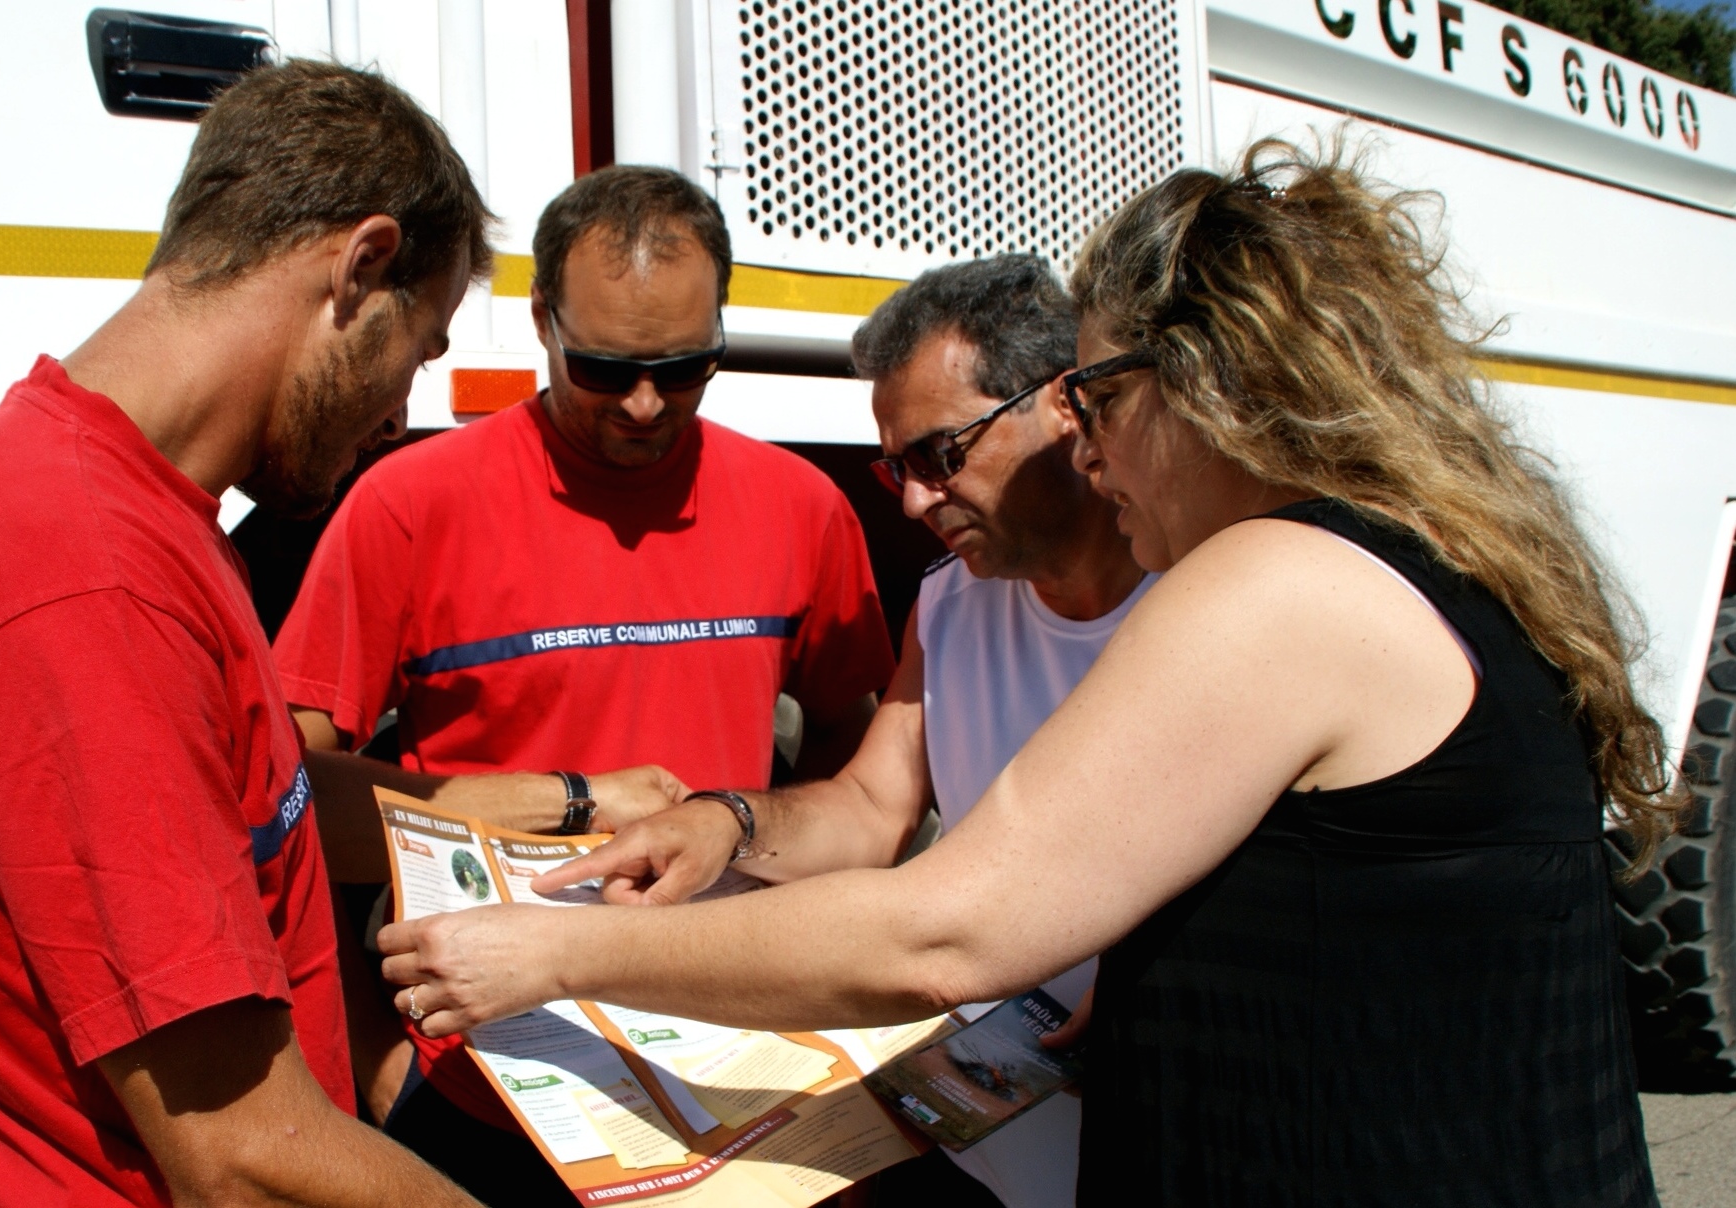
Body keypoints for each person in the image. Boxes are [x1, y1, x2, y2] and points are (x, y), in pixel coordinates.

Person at [380, 139, 1677, 1207]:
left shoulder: (1275, 581)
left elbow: (945, 928)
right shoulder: (1397, 558)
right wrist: (729, 825)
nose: (1094, 442)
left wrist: (564, 953)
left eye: (1100, 393)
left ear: (1196, 381)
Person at [0, 61, 491, 1206]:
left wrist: (567, 802)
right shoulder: (85, 583)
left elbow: (247, 808)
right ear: (363, 265)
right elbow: (239, 1156)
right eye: (418, 350)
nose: (398, 412)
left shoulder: (128, 509)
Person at [273, 164, 897, 1202]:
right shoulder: (408, 506)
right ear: (542, 325)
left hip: (722, 1067)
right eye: (606, 369)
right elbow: (285, 795)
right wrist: (370, 1051)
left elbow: (856, 756)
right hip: (481, 1088)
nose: (648, 404)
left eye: (689, 366)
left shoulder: (802, 508)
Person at [567, 253, 1148, 1207]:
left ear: (1064, 407)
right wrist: (726, 823)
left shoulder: (1200, 593)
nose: (915, 499)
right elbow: (875, 803)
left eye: (939, 454)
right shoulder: (953, 603)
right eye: (897, 469)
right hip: (989, 1151)